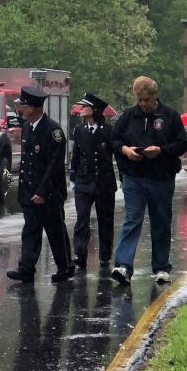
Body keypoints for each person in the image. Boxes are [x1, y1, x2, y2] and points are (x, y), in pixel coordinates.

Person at [110, 76, 187, 286]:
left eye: (146, 99)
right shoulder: (128, 115)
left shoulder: (170, 116)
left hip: (161, 178)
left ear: (155, 95)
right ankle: (123, 265)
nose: (143, 104)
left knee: (160, 221)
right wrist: (126, 150)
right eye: (139, 99)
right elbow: (114, 140)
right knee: (132, 219)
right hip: (134, 177)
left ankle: (161, 267)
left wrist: (160, 151)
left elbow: (182, 144)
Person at [6, 86, 73, 284]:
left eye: (23, 105)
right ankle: (26, 269)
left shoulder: (53, 131)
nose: (20, 108)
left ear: (34, 108)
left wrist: (42, 191)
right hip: (29, 190)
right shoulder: (27, 127)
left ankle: (65, 267)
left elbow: (53, 165)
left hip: (49, 192)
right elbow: (27, 161)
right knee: (30, 231)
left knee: (55, 231)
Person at [69, 92, 117, 272]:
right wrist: (73, 177)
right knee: (82, 219)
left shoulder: (108, 131)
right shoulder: (80, 130)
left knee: (105, 221)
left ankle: (105, 256)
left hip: (104, 183)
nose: (81, 109)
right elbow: (76, 156)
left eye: (85, 106)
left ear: (94, 110)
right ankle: (80, 255)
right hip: (83, 181)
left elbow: (116, 154)